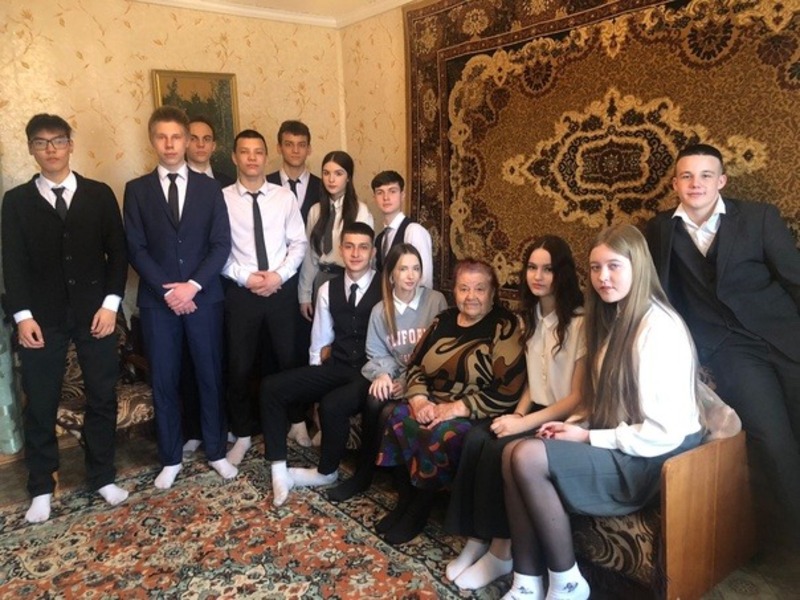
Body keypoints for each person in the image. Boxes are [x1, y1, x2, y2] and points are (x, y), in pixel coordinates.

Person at [500, 224, 704, 600]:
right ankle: (526, 580)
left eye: (614, 266)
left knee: (527, 456)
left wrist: (587, 436)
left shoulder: (659, 328)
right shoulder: (618, 318)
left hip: (652, 459)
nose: (603, 277)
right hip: (624, 443)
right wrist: (574, 425)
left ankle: (568, 583)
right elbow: (606, 400)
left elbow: (665, 432)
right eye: (595, 268)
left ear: (637, 266)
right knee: (513, 450)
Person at [646, 143, 800, 545]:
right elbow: (659, 296)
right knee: (773, 440)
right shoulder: (659, 229)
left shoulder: (759, 218)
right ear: (675, 183)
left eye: (706, 175)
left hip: (784, 335)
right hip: (728, 348)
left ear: (722, 181)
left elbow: (794, 278)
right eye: (687, 176)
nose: (696, 183)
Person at [2, 113, 129, 523]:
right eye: (41, 142)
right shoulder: (16, 202)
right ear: (31, 149)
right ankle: (41, 486)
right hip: (42, 318)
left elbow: (118, 254)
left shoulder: (99, 194)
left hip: (97, 314)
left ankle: (102, 476)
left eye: (58, 140)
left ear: (71, 144)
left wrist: (111, 305)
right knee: (40, 402)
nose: (51, 149)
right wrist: (23, 316)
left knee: (102, 396)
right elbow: (13, 264)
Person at [444, 236, 586, 589]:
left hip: (567, 417)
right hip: (537, 408)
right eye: (532, 268)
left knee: (502, 450)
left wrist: (525, 422)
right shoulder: (531, 317)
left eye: (547, 269)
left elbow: (576, 398)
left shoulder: (581, 321)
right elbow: (532, 383)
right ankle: (476, 539)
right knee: (479, 437)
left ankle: (501, 551)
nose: (537, 276)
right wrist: (518, 415)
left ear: (562, 273)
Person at [374, 258, 527, 545]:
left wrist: (456, 408)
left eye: (480, 289)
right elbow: (416, 366)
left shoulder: (503, 326)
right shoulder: (442, 320)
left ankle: (419, 510)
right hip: (431, 401)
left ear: (493, 292)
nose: (471, 296)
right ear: (454, 291)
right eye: (464, 288)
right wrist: (419, 400)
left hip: (474, 409)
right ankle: (405, 500)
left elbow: (508, 388)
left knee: (438, 433)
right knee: (396, 416)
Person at [123, 105, 236, 489]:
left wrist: (193, 286)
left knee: (210, 376)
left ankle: (216, 451)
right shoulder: (137, 190)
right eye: (162, 137)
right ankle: (170, 458)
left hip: (204, 298)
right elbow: (136, 248)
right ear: (152, 140)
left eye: (176, 137)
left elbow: (221, 244)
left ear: (187, 141)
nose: (170, 144)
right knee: (165, 381)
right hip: (158, 303)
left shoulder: (210, 188)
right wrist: (169, 290)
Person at [260, 222, 381, 507]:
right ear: (341, 249)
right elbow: (320, 339)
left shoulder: (386, 287)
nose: (355, 253)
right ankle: (279, 470)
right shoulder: (327, 289)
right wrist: (314, 382)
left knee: (333, 404)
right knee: (271, 387)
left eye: (363, 247)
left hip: (368, 372)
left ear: (373, 252)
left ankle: (327, 472)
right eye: (349, 246)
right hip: (337, 366)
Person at [326, 243, 447, 502]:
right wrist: (385, 375)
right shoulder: (381, 310)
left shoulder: (435, 301)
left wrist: (407, 381)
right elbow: (376, 353)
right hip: (394, 377)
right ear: (391, 274)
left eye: (416, 268)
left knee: (386, 409)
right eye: (403, 269)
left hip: (424, 380)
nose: (411, 275)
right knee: (374, 398)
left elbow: (440, 352)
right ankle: (363, 475)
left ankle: (396, 482)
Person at [221, 129, 308, 466]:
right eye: (245, 152)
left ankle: (297, 422)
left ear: (266, 156)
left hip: (279, 290)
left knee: (289, 359)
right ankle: (242, 433)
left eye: (258, 152)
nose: (252, 158)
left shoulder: (283, 197)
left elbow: (298, 243)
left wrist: (278, 276)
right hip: (241, 293)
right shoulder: (221, 199)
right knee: (239, 366)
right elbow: (218, 250)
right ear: (235, 157)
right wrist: (246, 278)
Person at [294, 150, 373, 445]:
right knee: (320, 348)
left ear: (348, 178)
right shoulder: (316, 211)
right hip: (322, 280)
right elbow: (310, 256)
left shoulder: (360, 210)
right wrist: (305, 293)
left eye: (338, 173)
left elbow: (364, 253)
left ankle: (342, 424)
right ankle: (320, 421)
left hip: (348, 279)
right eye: (326, 173)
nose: (331, 179)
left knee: (342, 349)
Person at [371, 171, 433, 289]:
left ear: (402, 195)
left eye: (392, 191)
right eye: (380, 192)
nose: (386, 197)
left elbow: (424, 280)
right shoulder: (380, 239)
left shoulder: (414, 231)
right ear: (374, 198)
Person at [266, 120, 320, 224]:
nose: (295, 150)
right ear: (279, 148)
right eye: (289, 144)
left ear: (309, 149)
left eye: (301, 145)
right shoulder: (265, 184)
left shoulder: (322, 187)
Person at [186, 116, 235, 187]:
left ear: (213, 146)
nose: (201, 144)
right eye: (193, 139)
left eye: (206, 139)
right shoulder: (174, 183)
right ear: (184, 144)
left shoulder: (229, 184)